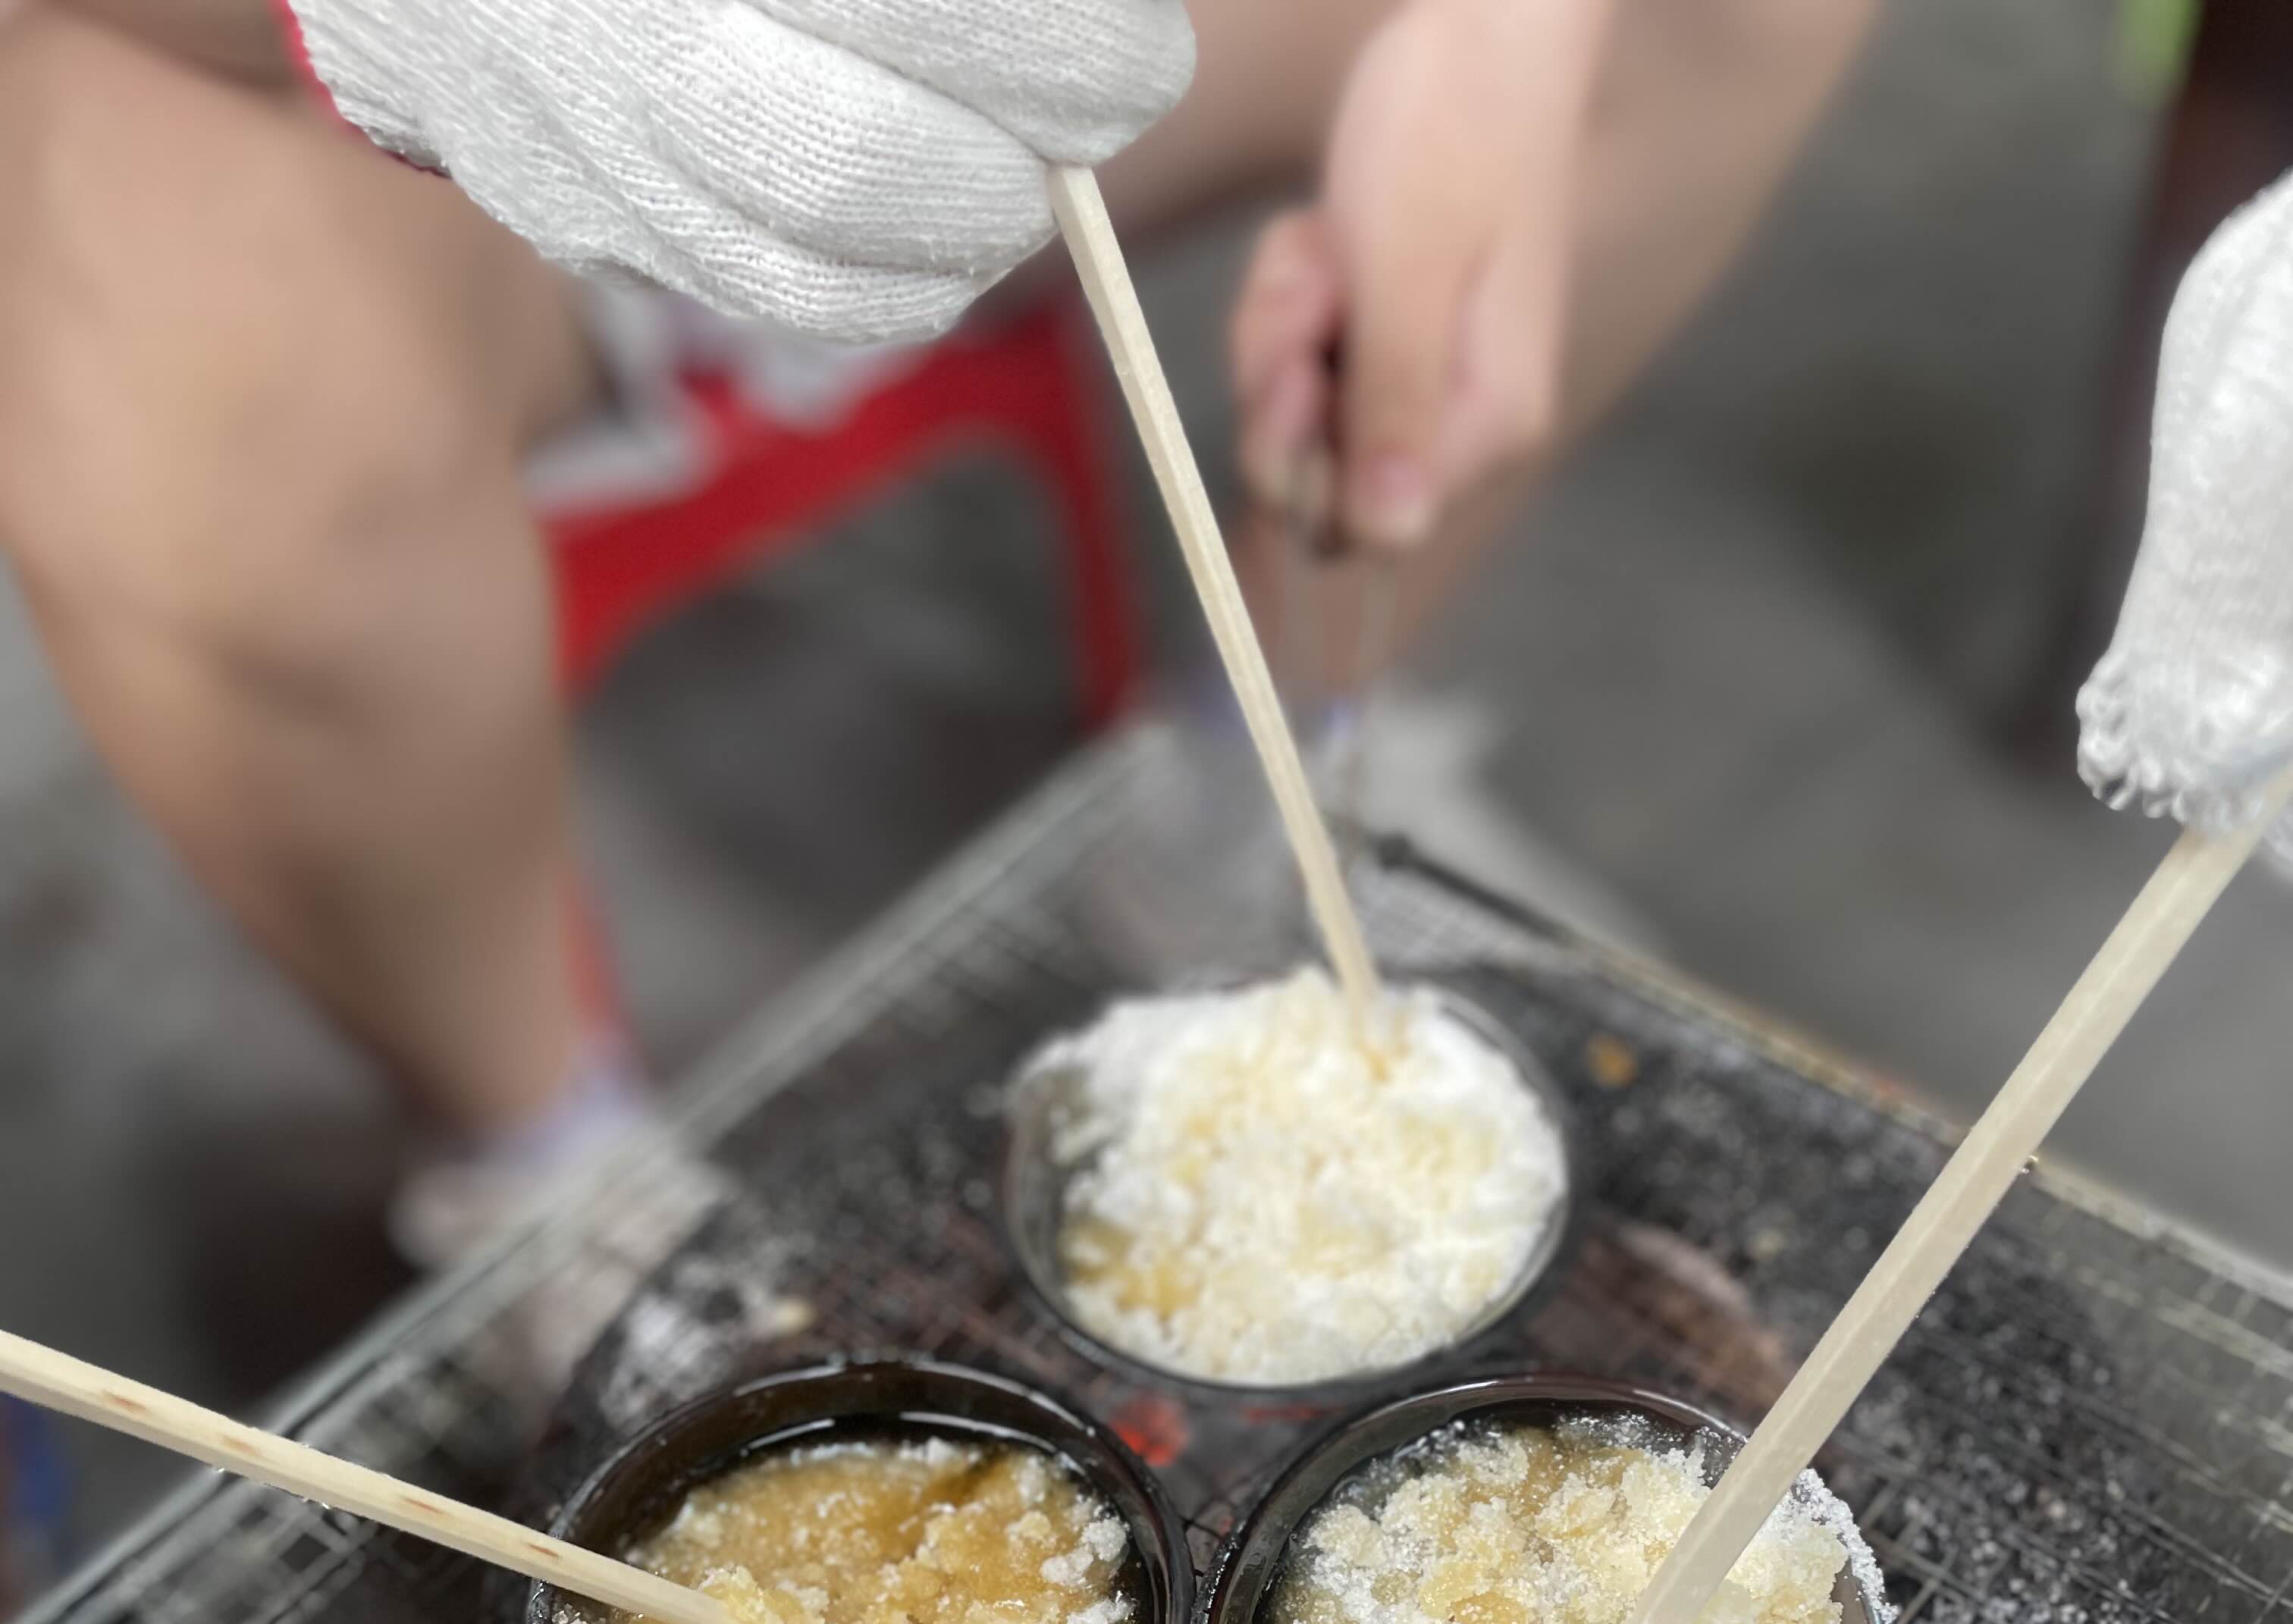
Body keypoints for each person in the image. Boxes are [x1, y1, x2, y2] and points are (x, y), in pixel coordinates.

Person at [0, 0, 1880, 1259]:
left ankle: (1270, 807)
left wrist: (1502, 33)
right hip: (360, 131)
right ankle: (562, 1196)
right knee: (160, 361)